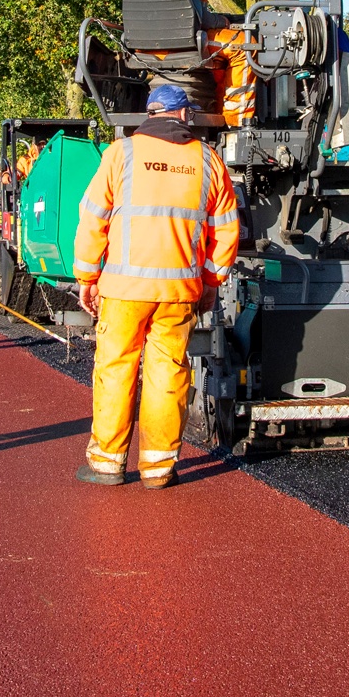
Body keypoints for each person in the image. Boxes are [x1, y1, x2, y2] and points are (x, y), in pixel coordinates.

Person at [72, 83, 241, 489]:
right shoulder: (208, 160)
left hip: (123, 290)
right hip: (179, 293)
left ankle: (108, 465)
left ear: (150, 114)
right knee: (168, 373)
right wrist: (212, 281)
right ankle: (158, 468)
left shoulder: (121, 153)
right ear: (183, 115)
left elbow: (92, 218)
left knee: (116, 369)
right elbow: (225, 230)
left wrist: (86, 277)